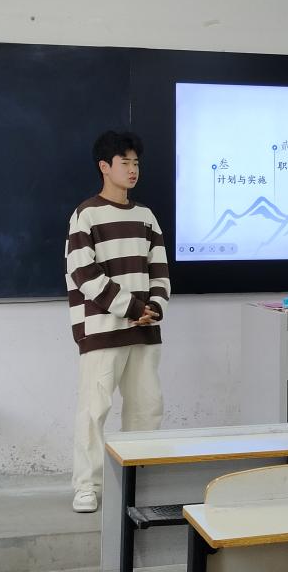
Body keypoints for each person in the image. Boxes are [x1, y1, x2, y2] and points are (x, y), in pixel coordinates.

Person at [65, 131, 170, 513]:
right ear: (104, 167)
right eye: (124, 162)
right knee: (93, 411)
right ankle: (87, 486)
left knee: (146, 408)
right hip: (101, 331)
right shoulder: (86, 215)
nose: (132, 169)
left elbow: (160, 270)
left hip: (143, 330)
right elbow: (84, 274)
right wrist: (131, 307)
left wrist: (153, 307)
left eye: (136, 162)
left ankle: (136, 482)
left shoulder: (146, 217)